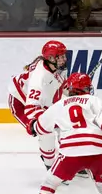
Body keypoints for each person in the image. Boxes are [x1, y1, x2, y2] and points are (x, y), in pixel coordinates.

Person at [8, 40, 79, 174]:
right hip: (21, 103)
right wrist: (36, 124)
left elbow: (60, 85)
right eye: (61, 56)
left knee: (68, 124)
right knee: (46, 131)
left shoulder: (55, 66)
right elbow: (31, 108)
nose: (64, 59)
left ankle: (70, 158)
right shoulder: (39, 78)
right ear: (51, 58)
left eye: (64, 55)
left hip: (45, 101)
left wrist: (73, 91)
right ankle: (51, 167)